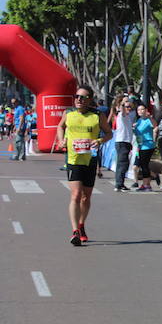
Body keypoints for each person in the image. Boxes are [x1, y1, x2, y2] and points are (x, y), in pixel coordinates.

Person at [56, 85, 112, 245]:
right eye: (77, 96)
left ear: (90, 100)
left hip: (90, 159)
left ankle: (81, 225)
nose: (79, 99)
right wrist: (62, 140)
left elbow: (109, 133)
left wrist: (99, 140)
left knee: (86, 197)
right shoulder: (68, 113)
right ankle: (74, 231)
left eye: (83, 97)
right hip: (73, 159)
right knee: (76, 195)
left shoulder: (97, 115)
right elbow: (60, 126)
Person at [110, 95, 137, 191]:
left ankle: (120, 183)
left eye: (130, 107)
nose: (129, 108)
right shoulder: (122, 114)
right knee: (122, 164)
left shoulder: (128, 117)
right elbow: (121, 108)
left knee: (123, 163)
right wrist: (123, 102)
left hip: (126, 142)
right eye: (127, 107)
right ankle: (119, 184)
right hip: (122, 142)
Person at [133, 104, 157, 191]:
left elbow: (155, 126)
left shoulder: (148, 120)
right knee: (143, 165)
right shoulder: (139, 120)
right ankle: (146, 184)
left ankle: (146, 185)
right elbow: (138, 135)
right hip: (141, 146)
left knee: (144, 165)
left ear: (146, 110)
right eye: (138, 110)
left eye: (142, 109)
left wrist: (150, 117)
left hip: (148, 145)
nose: (140, 111)